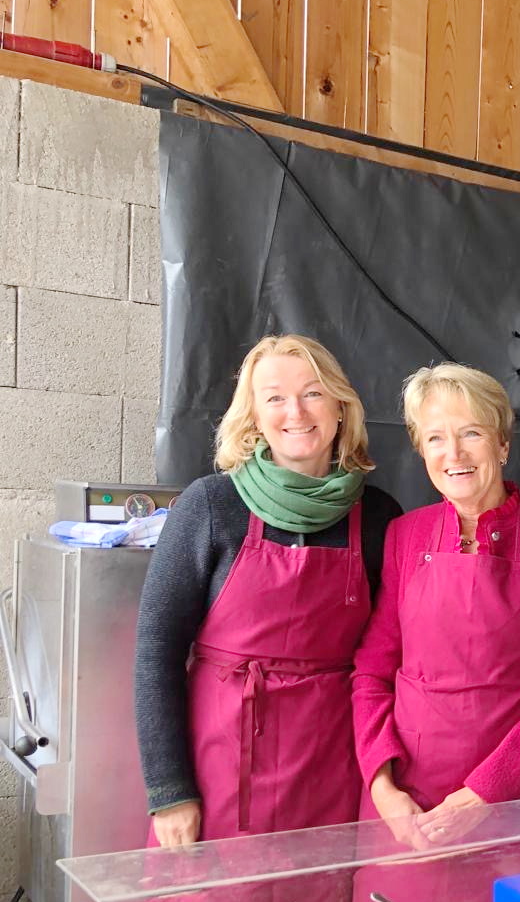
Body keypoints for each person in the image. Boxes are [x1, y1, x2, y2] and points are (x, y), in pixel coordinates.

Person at [135, 334, 400, 846]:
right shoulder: (210, 506)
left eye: (313, 393)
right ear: (254, 415)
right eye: (275, 397)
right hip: (221, 768)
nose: (295, 412)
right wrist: (169, 790)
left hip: (333, 769)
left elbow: (387, 658)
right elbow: (155, 652)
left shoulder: (379, 517)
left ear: (340, 408)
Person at [351, 363, 520, 859]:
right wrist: (382, 785)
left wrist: (487, 791)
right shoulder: (404, 536)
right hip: (407, 810)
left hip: (518, 802)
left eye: (472, 433)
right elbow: (371, 672)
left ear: (503, 445)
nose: (454, 454)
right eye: (436, 438)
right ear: (422, 451)